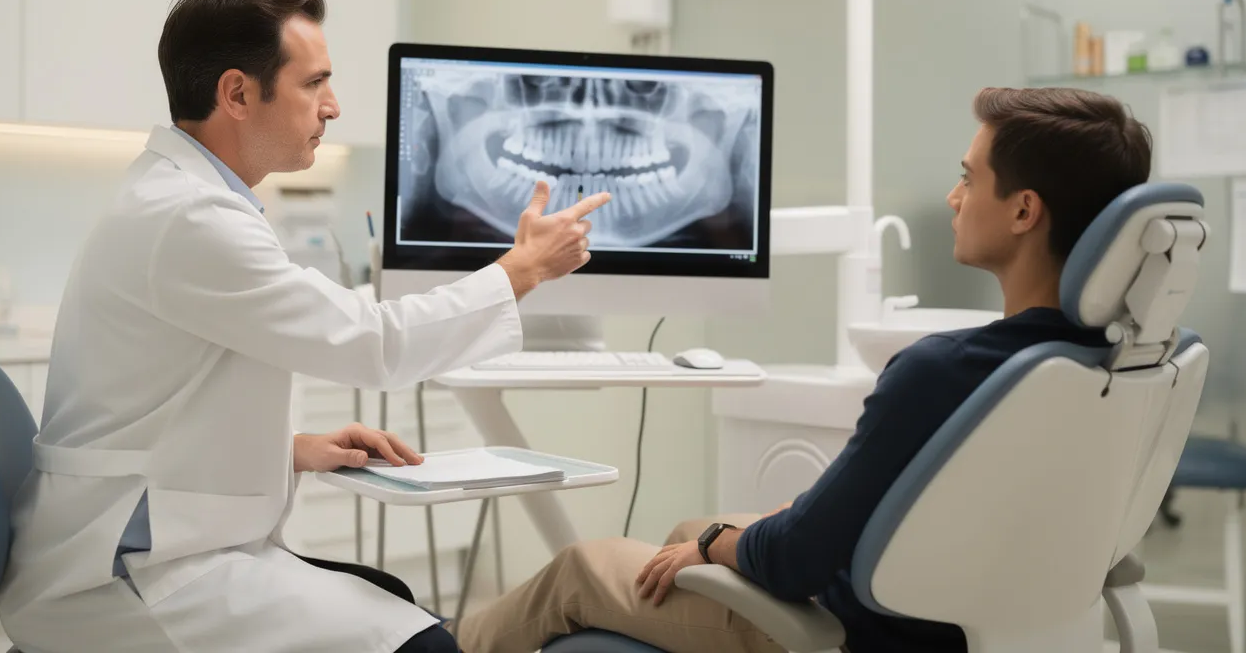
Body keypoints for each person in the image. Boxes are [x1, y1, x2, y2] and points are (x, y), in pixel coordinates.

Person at [0, 0, 609, 653]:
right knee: (422, 643)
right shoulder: (191, 217)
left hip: (143, 534)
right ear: (236, 93)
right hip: (120, 574)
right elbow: (375, 345)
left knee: (392, 601)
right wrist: (521, 270)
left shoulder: (184, 199)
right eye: (314, 83)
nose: (334, 106)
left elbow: (151, 407)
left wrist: (289, 451)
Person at [451, 86, 1154, 653]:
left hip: (858, 630)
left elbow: (795, 562)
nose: (953, 196)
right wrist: (718, 537)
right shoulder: (1102, 363)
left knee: (582, 568)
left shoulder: (942, 369)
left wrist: (717, 545)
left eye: (969, 178)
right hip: (972, 617)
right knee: (688, 532)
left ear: (1025, 210)